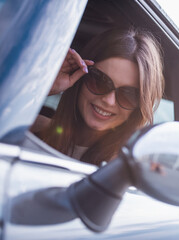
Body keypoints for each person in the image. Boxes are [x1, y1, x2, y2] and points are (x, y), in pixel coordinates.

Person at [32, 28, 164, 166]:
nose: (109, 100)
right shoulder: (32, 128)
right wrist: (45, 87)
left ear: (139, 106)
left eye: (128, 95)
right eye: (99, 81)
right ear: (80, 75)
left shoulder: (125, 170)